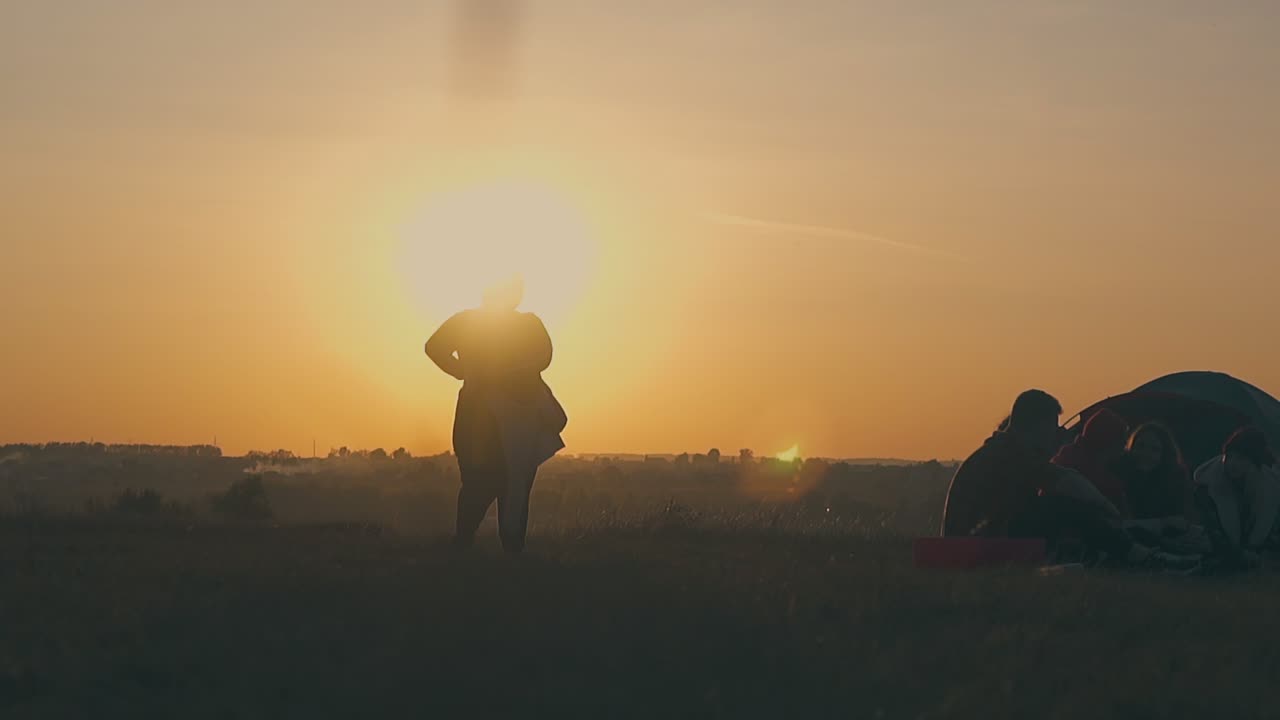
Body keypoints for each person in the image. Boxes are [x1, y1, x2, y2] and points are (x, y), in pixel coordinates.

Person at [942, 390, 1194, 569]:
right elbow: (1067, 480)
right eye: (1053, 426)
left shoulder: (1000, 449)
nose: (1055, 433)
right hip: (972, 546)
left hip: (975, 540)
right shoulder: (1010, 455)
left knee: (1055, 506)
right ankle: (1142, 557)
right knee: (1063, 504)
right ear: (1038, 425)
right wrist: (1105, 506)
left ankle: (1136, 554)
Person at [425, 276, 568, 553]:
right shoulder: (526, 324)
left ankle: (467, 545)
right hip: (498, 413)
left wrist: (466, 373)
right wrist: (474, 373)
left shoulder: (467, 321)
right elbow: (544, 357)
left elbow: (433, 348)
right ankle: (503, 549)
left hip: (485, 409)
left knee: (484, 482)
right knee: (510, 482)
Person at [1193, 427, 1280, 570]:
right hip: (1218, 544)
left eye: (1241, 459)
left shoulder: (1268, 486)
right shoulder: (1208, 486)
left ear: (1254, 463)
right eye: (1229, 456)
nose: (1232, 463)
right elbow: (1211, 527)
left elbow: (1268, 524)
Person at [1113, 423, 1207, 554]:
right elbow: (1123, 523)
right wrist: (1161, 523)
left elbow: (1185, 519)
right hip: (1133, 537)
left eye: (1155, 450)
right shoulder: (1120, 475)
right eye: (1140, 446)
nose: (1145, 454)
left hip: (1172, 536)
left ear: (1165, 455)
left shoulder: (1174, 480)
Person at [1052, 408, 1132, 517]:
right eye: (1122, 440)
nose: (1124, 447)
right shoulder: (1105, 483)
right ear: (1109, 442)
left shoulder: (1062, 459)